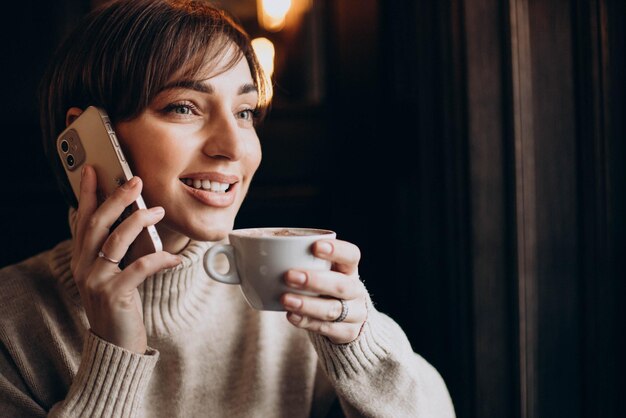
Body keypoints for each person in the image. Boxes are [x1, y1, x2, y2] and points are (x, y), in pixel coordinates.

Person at [0, 0, 455, 416]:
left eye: (244, 112)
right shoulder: (12, 321)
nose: (234, 146)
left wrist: (361, 344)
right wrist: (113, 355)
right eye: (184, 107)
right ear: (88, 138)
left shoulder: (289, 300)